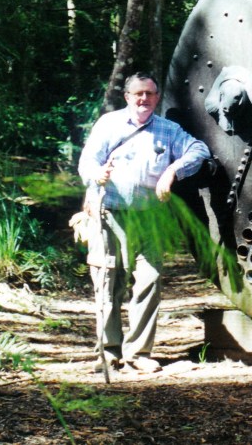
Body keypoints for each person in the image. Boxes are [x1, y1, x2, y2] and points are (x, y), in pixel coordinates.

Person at [78, 72, 211, 373]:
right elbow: (87, 162)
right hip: (110, 215)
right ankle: (109, 353)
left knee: (149, 281)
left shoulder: (167, 129)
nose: (144, 99)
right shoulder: (109, 125)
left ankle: (139, 353)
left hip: (149, 218)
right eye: (138, 94)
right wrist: (96, 176)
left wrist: (173, 170)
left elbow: (199, 150)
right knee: (108, 283)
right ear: (126, 97)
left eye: (150, 94)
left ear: (157, 97)